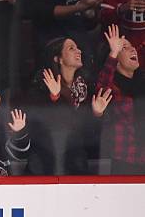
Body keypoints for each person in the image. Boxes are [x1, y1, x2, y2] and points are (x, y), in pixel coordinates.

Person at [27, 36, 113, 175]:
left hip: (75, 163)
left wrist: (97, 115)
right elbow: (39, 124)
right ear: (58, 59)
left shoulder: (85, 88)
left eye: (77, 47)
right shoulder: (42, 86)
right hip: (44, 163)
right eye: (71, 48)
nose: (78, 51)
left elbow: (90, 135)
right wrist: (54, 98)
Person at [96, 23, 145, 174]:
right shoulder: (113, 87)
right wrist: (113, 52)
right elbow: (103, 88)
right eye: (124, 48)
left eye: (132, 46)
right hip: (125, 160)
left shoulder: (142, 80)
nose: (132, 49)